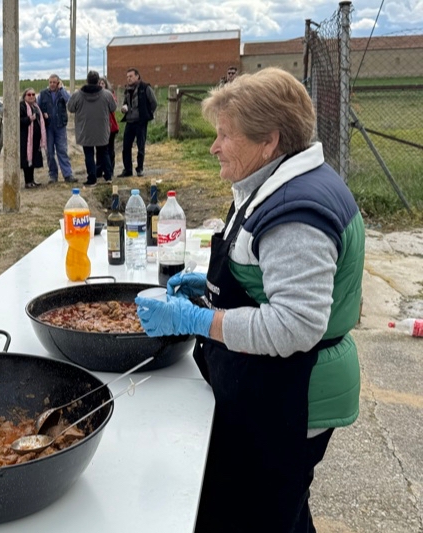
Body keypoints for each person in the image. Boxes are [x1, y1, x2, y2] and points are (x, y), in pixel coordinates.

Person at [135, 67, 364, 532]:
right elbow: (267, 275)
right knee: (284, 509)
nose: (214, 146)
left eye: (225, 135)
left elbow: (293, 326)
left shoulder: (296, 214)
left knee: (259, 516)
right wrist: (210, 287)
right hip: (271, 384)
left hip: (291, 394)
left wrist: (195, 320)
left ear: (269, 141)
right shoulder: (275, 184)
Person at [67, 70, 117, 187]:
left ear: (87, 80)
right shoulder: (106, 94)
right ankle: (108, 176)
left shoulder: (78, 95)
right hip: (102, 129)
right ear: (98, 81)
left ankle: (92, 178)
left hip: (85, 129)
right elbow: (113, 108)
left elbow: (70, 108)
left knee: (88, 154)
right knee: (104, 152)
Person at [118, 68, 157, 178]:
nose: (128, 79)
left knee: (140, 146)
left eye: (130, 76)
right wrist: (124, 109)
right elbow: (125, 103)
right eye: (127, 77)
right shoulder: (127, 90)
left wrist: (147, 114)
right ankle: (128, 169)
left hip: (140, 122)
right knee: (126, 146)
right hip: (129, 121)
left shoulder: (145, 88)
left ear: (137, 76)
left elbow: (154, 102)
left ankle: (139, 169)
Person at [37, 74, 75, 183]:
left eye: (55, 82)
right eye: (51, 82)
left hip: (60, 126)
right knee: (49, 152)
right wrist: (43, 114)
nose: (52, 84)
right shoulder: (43, 94)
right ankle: (53, 175)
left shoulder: (61, 93)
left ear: (58, 83)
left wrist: (62, 89)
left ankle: (67, 174)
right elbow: (38, 108)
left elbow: (69, 101)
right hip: (48, 127)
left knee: (62, 150)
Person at [19, 88, 47, 188]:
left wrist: (45, 117)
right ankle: (27, 182)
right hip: (26, 139)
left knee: (33, 160)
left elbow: (40, 121)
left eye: (33, 94)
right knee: (27, 160)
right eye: (29, 94)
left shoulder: (36, 107)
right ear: (25, 96)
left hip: (35, 139)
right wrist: (29, 119)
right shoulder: (22, 106)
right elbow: (19, 120)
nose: (31, 96)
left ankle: (32, 180)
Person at [99, 76, 120, 177]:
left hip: (111, 126)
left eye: (103, 83)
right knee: (100, 149)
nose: (101, 85)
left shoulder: (110, 95)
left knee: (110, 149)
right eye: (99, 84)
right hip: (100, 126)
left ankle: (110, 169)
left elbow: (114, 107)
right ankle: (100, 169)